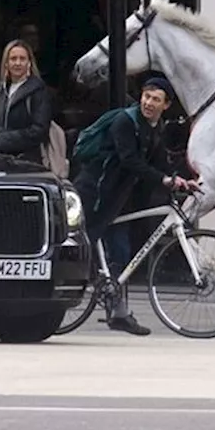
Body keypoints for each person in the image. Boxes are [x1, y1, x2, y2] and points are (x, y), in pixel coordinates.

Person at [72, 77, 197, 336]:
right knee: (87, 245)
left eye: (156, 99)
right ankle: (91, 288)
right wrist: (164, 179)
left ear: (166, 105)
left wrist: (181, 181)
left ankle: (118, 312)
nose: (149, 103)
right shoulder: (124, 122)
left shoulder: (155, 128)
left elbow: (160, 161)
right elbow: (130, 161)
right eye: (147, 97)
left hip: (117, 197)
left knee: (121, 251)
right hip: (96, 191)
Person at [0, 39, 54, 166]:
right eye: (13, 59)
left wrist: (1, 140)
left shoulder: (38, 90)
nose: (18, 63)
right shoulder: (1, 90)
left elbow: (39, 131)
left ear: (29, 63)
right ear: (6, 64)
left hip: (28, 163)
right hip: (1, 160)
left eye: (22, 59)